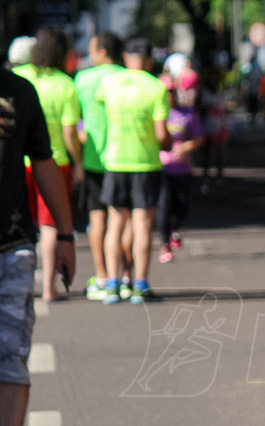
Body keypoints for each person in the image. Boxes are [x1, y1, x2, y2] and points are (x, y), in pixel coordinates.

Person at [0, 63, 76, 426]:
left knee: (11, 353)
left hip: (11, 247)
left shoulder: (20, 92)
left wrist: (65, 235)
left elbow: (44, 163)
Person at [96, 37, 171, 304]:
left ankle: (112, 285)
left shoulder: (109, 84)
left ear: (126, 58)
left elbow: (101, 109)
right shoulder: (156, 88)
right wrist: (169, 141)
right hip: (146, 163)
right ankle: (139, 284)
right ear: (149, 59)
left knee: (114, 224)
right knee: (142, 225)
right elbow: (162, 135)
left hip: (115, 161)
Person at [13, 27, 82, 302]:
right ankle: (49, 288)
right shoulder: (65, 84)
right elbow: (69, 132)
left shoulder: (19, 78)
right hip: (54, 164)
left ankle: (21, 284)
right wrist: (79, 163)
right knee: (50, 225)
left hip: (18, 162)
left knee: (21, 224)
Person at [74, 31, 125, 301]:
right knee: (125, 218)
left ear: (102, 51)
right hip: (125, 158)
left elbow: (73, 121)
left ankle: (102, 275)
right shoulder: (128, 77)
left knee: (97, 218)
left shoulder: (83, 79)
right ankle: (127, 276)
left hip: (93, 158)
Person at [156, 74, 204, 263]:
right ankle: (164, 243)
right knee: (164, 205)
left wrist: (186, 147)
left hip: (183, 168)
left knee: (182, 205)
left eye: (171, 92)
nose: (168, 96)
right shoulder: (155, 114)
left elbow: (199, 138)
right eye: (165, 92)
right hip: (161, 168)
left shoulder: (187, 114)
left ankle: (175, 229)